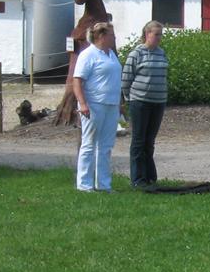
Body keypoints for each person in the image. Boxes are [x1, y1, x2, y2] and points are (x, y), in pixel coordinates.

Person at [72, 21, 123, 192]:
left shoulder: (111, 55)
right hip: (94, 105)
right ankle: (84, 184)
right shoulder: (88, 55)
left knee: (106, 146)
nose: (114, 38)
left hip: (111, 104)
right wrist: (83, 103)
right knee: (89, 144)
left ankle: (103, 184)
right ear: (102, 36)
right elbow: (77, 80)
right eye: (111, 35)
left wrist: (119, 103)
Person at [121, 20, 168, 189]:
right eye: (156, 34)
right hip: (140, 101)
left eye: (161, 34)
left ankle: (150, 176)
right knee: (139, 141)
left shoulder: (161, 53)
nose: (159, 38)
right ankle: (137, 179)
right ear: (147, 34)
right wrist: (129, 98)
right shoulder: (137, 54)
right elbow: (126, 78)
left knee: (150, 141)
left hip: (158, 102)